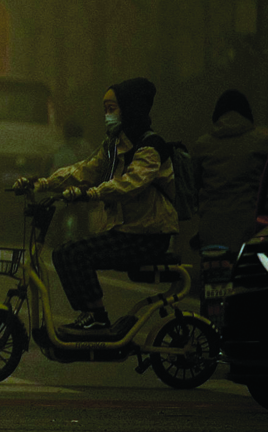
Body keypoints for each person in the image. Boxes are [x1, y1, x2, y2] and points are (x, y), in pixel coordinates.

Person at [20, 77, 178, 337]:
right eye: (105, 109)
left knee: (76, 254)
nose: (107, 116)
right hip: (127, 231)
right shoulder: (115, 146)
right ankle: (90, 314)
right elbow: (84, 170)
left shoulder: (151, 147)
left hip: (148, 235)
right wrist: (42, 183)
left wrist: (92, 194)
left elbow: (131, 184)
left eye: (112, 109)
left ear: (129, 108)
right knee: (63, 253)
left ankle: (97, 318)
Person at [192, 89, 268, 254]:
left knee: (211, 273)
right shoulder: (262, 143)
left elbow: (194, 184)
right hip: (249, 226)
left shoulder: (202, 145)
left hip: (211, 225)